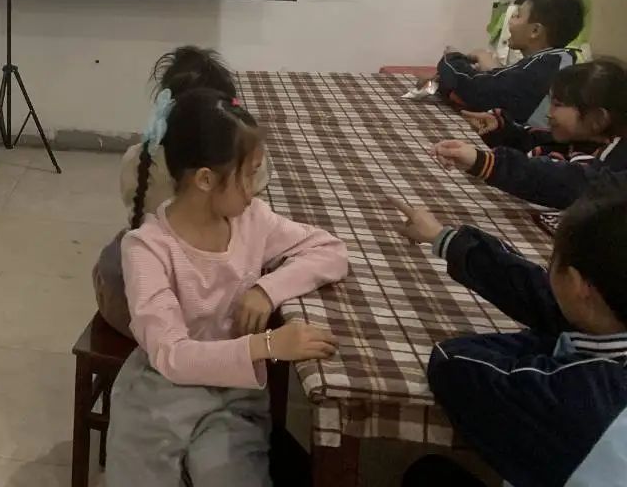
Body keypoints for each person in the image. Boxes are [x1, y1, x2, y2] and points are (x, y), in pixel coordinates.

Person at [105, 88, 347, 487]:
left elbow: (330, 251)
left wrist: (267, 290)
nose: (255, 187)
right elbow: (171, 355)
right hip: (159, 391)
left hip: (231, 395)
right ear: (205, 179)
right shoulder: (146, 247)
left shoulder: (253, 221)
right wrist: (267, 345)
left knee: (229, 472)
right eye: (248, 174)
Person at [391, 187, 627, 487]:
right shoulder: (605, 323)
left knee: (427, 475)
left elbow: (453, 362)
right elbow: (545, 298)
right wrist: (445, 239)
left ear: (578, 284)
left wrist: (555, 338)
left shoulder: (578, 394)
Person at [92, 47, 272, 337]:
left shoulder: (138, 160)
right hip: (174, 317)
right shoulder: (239, 174)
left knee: (119, 248)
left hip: (123, 302)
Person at [432, 58, 627, 210]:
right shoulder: (579, 139)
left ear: (597, 119)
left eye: (558, 105)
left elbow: (563, 182)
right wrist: (500, 130)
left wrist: (485, 163)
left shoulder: (610, 164)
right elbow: (533, 140)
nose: (549, 113)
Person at [436, 0, 584, 127]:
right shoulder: (561, 59)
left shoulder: (541, 67)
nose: (510, 21)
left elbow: (474, 88)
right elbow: (507, 87)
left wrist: (452, 58)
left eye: (517, 16)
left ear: (535, 31)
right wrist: (494, 69)